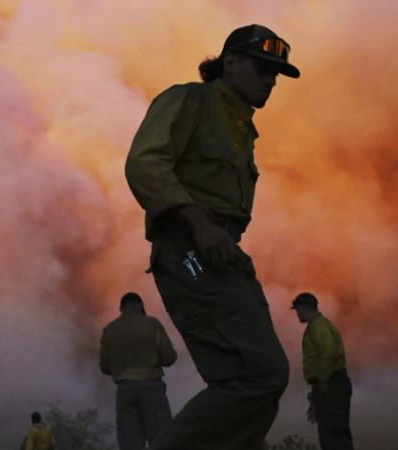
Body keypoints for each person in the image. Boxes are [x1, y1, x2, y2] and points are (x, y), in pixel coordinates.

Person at [124, 24, 300, 449]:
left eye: (276, 73)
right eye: (263, 68)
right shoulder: (190, 100)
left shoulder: (241, 127)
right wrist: (200, 224)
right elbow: (144, 163)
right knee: (262, 374)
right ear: (231, 62)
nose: (271, 80)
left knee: (248, 382)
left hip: (221, 252)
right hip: (190, 249)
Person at [100, 292, 178, 450]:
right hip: (151, 388)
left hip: (124, 390)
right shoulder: (152, 323)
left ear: (121, 308)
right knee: (161, 439)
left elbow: (105, 367)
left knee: (130, 443)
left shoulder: (109, 329)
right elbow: (169, 357)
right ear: (140, 305)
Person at [291, 292, 353, 450]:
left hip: (331, 384)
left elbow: (329, 352)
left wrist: (323, 380)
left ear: (303, 308)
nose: (296, 313)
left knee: (334, 434)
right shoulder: (320, 324)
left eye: (297, 309)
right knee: (331, 433)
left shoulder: (318, 326)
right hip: (331, 385)